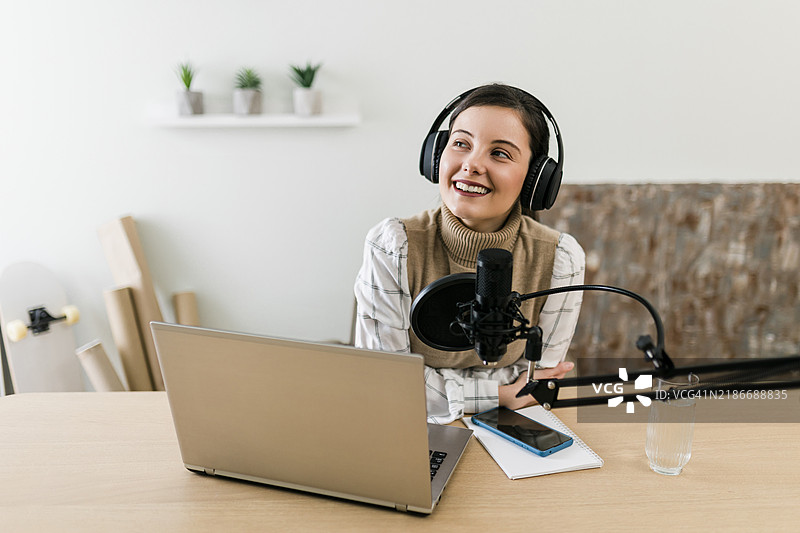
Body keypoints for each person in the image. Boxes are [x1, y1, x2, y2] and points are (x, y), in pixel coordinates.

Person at [354, 84, 585, 424]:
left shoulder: (561, 260)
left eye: (500, 153)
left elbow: (534, 385)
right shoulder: (392, 246)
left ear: (535, 180)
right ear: (436, 156)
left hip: (512, 430)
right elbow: (385, 384)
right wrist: (500, 395)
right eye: (461, 143)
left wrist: (437, 390)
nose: (472, 164)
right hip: (407, 428)